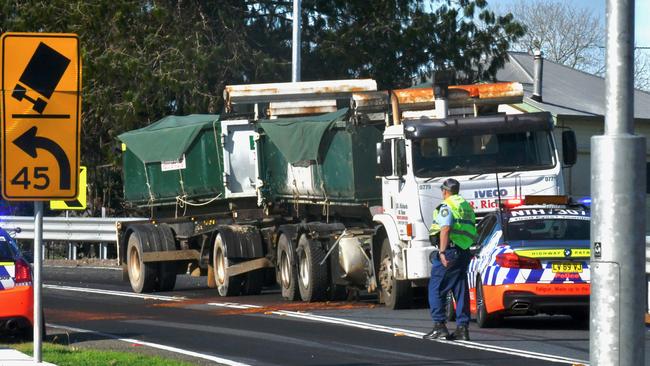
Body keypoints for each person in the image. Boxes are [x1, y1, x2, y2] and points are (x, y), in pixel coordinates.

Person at [424, 178, 476, 341]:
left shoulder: (447, 206)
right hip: (463, 251)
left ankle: (439, 326)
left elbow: (445, 228)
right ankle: (462, 328)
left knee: (436, 288)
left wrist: (442, 252)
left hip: (450, 251)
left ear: (445, 191)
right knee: (460, 289)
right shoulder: (466, 206)